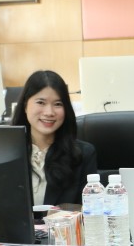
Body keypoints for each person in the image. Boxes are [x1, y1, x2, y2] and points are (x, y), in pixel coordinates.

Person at [11, 70, 97, 206]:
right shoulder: (7, 151)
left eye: (58, 104)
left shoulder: (83, 154)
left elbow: (88, 210)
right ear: (25, 106)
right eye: (41, 102)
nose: (49, 112)